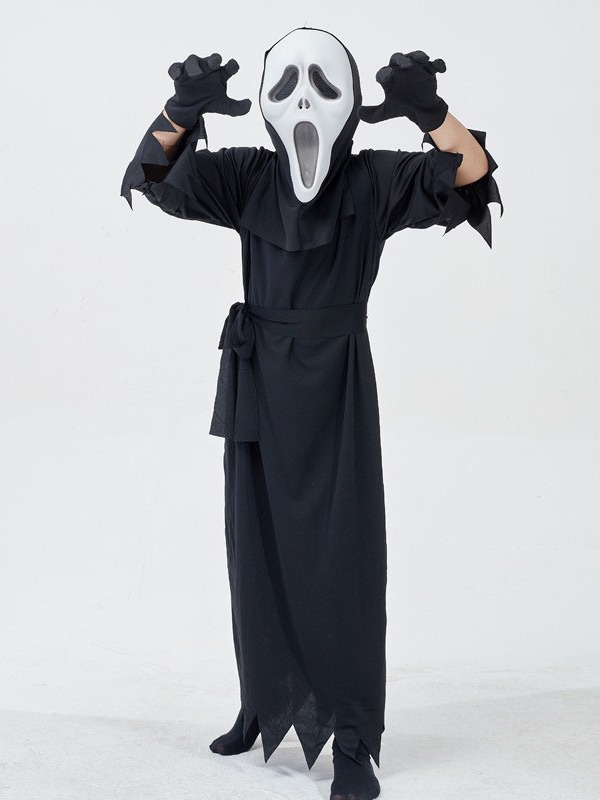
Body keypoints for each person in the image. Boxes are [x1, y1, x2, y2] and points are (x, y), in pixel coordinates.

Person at [121, 26, 503, 800]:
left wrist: (430, 112)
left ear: (353, 107)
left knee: (342, 559)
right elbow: (155, 175)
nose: (304, 102)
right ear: (266, 106)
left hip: (335, 385)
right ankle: (265, 707)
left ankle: (353, 738)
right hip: (260, 378)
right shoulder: (247, 177)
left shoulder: (375, 180)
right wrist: (180, 111)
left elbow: (470, 176)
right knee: (254, 548)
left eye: (324, 87)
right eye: (287, 86)